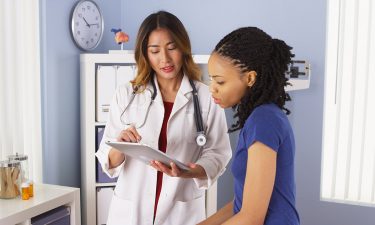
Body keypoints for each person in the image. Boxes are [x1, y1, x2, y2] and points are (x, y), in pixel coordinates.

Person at [95, 11, 232, 225]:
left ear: (183, 48)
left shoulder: (206, 97)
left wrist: (192, 172)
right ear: (145, 54)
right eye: (155, 51)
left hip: (181, 213)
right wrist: (119, 146)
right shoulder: (126, 94)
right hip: (131, 213)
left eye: (171, 48)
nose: (164, 59)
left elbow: (219, 152)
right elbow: (108, 160)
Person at [199, 27, 300, 225]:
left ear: (250, 78)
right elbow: (242, 203)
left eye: (220, 81)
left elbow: (251, 218)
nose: (212, 88)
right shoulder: (259, 117)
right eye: (211, 79)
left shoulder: (264, 120)